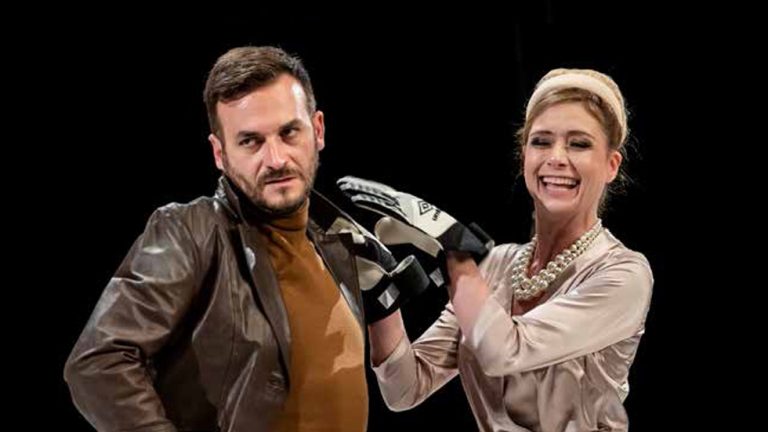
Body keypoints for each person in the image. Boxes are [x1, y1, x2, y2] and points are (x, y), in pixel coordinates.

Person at [64, 45, 428, 432]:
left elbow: (399, 387)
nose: (276, 159)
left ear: (318, 130)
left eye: (289, 133)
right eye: (250, 141)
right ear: (219, 153)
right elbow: (97, 362)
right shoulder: (190, 232)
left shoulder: (340, 246)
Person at [337, 68, 653, 432]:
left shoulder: (623, 274)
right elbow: (405, 389)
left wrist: (454, 251)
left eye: (579, 144)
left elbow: (507, 351)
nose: (556, 157)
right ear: (524, 156)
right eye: (541, 142)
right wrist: (381, 298)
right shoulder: (496, 265)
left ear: (611, 165)